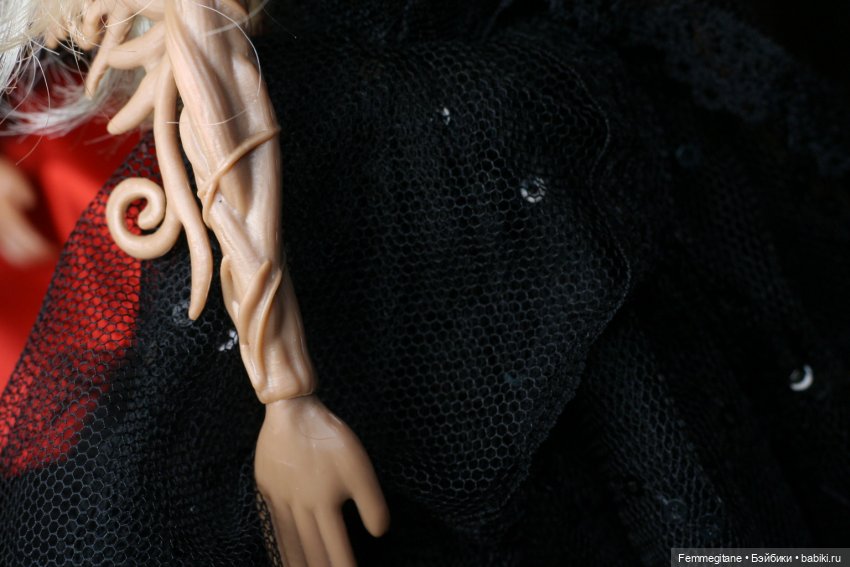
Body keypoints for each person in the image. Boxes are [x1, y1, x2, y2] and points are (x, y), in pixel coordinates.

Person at [1, 0, 849, 565]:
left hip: (509, 130)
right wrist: (288, 395)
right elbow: (218, 77)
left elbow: (221, 81)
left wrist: (290, 395)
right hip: (420, 152)